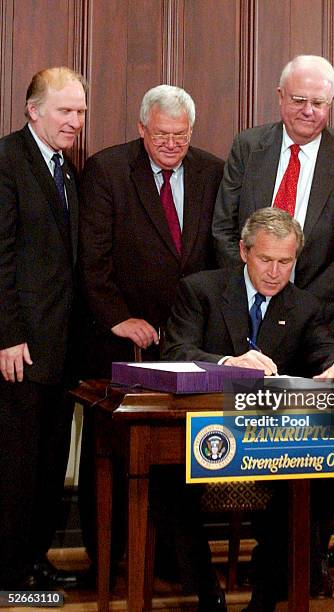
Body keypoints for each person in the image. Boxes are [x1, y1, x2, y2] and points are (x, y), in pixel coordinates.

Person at [164, 207, 334, 611]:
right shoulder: (200, 290)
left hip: (269, 443)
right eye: (265, 259)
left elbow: (326, 347)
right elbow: (177, 349)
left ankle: (267, 600)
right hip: (203, 434)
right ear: (243, 252)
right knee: (171, 483)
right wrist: (226, 364)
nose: (274, 272)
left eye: (285, 262)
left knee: (310, 482)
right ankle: (207, 594)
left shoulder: (303, 306)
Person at [78, 84, 224, 608]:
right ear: (142, 129)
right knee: (114, 459)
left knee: (183, 459)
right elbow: (92, 259)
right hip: (121, 340)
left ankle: (176, 562)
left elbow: (215, 255)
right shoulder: (108, 169)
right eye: (161, 135)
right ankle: (108, 562)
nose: (171, 145)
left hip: (189, 342)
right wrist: (119, 318)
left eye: (180, 136)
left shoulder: (212, 169)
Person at [212, 54, 334, 357]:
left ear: (331, 104)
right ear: (280, 97)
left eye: (319, 103)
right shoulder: (248, 146)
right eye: (299, 100)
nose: (309, 111)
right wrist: (252, 287)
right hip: (245, 314)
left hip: (322, 318)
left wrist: (301, 304)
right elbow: (223, 228)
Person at [0, 67, 87, 589]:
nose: (75, 121)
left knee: (48, 464)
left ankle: (34, 560)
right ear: (34, 110)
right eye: (65, 110)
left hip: (60, 351)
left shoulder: (66, 168)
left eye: (80, 111)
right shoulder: (7, 161)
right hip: (20, 348)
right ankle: (9, 571)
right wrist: (7, 334)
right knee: (15, 467)